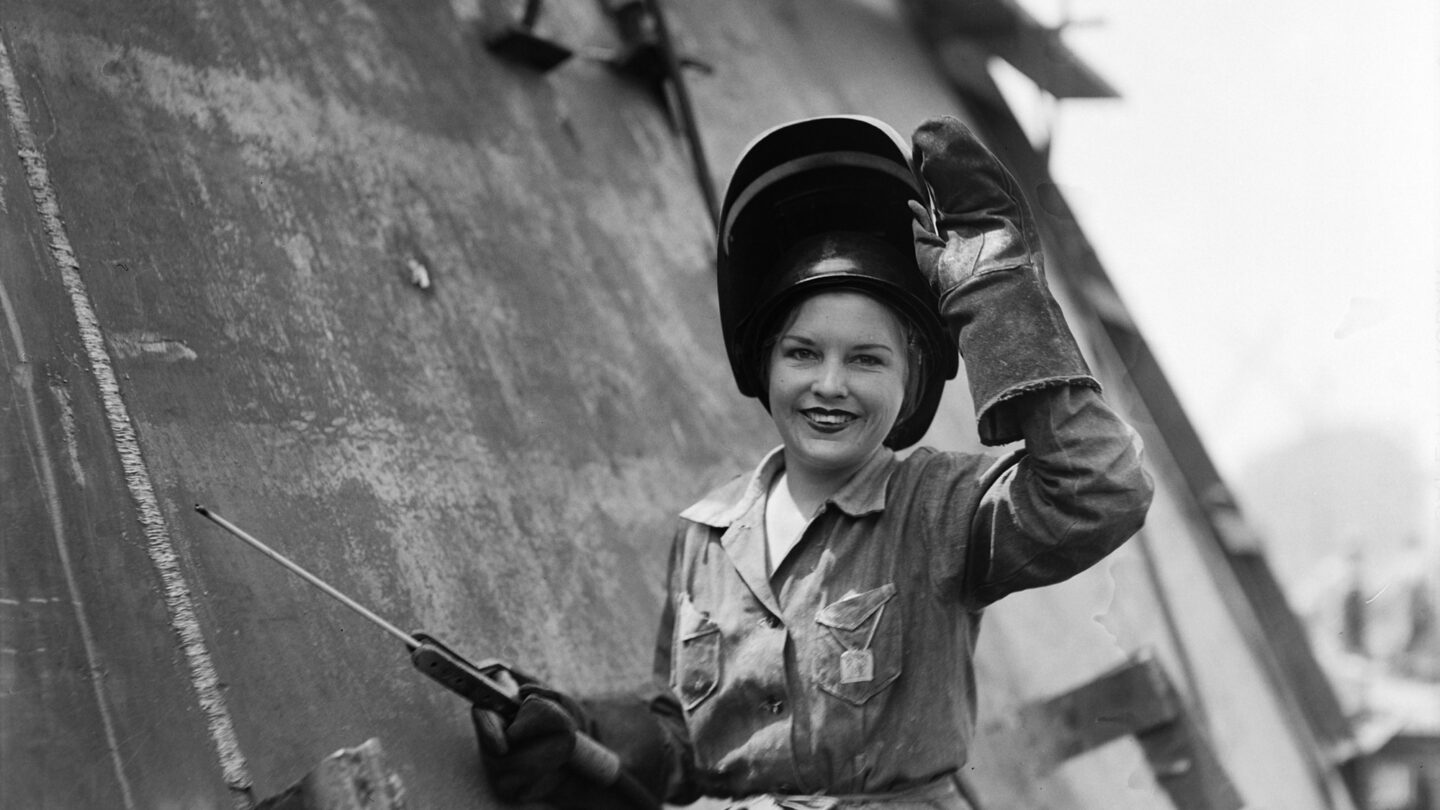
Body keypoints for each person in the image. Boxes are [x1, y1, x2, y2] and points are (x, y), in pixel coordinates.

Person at [473, 115, 1154, 810]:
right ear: (765, 363)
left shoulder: (938, 510)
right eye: (802, 352)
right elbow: (686, 741)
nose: (830, 384)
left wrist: (998, 293)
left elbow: (1101, 489)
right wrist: (586, 737)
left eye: (866, 359)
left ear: (909, 382)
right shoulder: (705, 537)